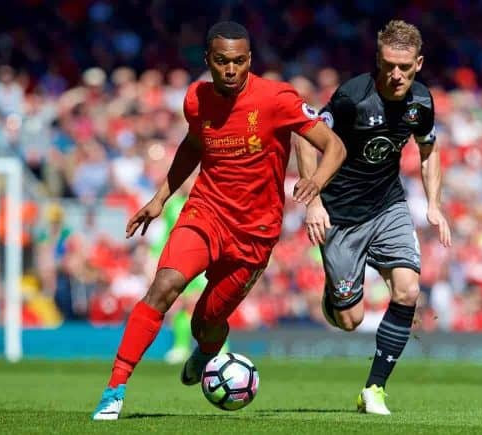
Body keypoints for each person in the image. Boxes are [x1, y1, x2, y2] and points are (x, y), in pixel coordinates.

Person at [92, 21, 346, 420]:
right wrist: (160, 198)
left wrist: (315, 182)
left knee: (206, 322)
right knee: (164, 285)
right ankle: (114, 389)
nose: (231, 70)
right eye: (223, 61)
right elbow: (193, 144)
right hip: (206, 213)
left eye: (240, 61)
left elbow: (333, 146)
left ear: (250, 61)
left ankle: (207, 352)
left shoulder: (277, 98)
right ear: (208, 60)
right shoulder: (196, 99)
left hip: (255, 234)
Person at [295, 19, 451, 415]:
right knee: (350, 320)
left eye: (404, 66)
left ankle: (374, 389)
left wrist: (433, 203)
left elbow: (428, 149)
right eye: (387, 65)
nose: (395, 74)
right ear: (377, 60)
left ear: (418, 63)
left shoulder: (421, 102)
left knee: (408, 291)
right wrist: (313, 199)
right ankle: (335, 293)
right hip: (341, 216)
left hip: (387, 205)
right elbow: (303, 133)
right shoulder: (352, 97)